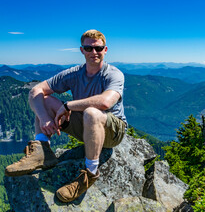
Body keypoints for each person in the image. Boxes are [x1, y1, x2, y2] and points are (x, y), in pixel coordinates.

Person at [5, 29, 127, 203]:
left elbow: (106, 103)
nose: (94, 52)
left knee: (92, 112)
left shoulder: (113, 74)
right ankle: (42, 149)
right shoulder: (74, 73)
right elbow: (35, 91)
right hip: (86, 126)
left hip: (112, 131)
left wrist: (66, 105)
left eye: (98, 49)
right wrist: (45, 118)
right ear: (82, 50)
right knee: (44, 100)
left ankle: (90, 174)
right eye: (88, 48)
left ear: (105, 50)